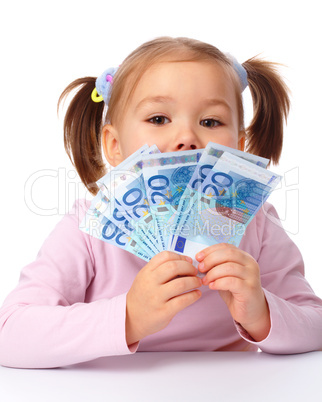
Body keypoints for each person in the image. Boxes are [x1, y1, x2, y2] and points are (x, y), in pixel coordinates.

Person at [0, 37, 321, 369]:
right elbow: (10, 334)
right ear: (114, 144)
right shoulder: (86, 230)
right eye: (158, 119)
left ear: (239, 147)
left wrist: (261, 312)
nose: (187, 137)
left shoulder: (258, 224)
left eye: (210, 122)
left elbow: (316, 325)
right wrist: (129, 317)